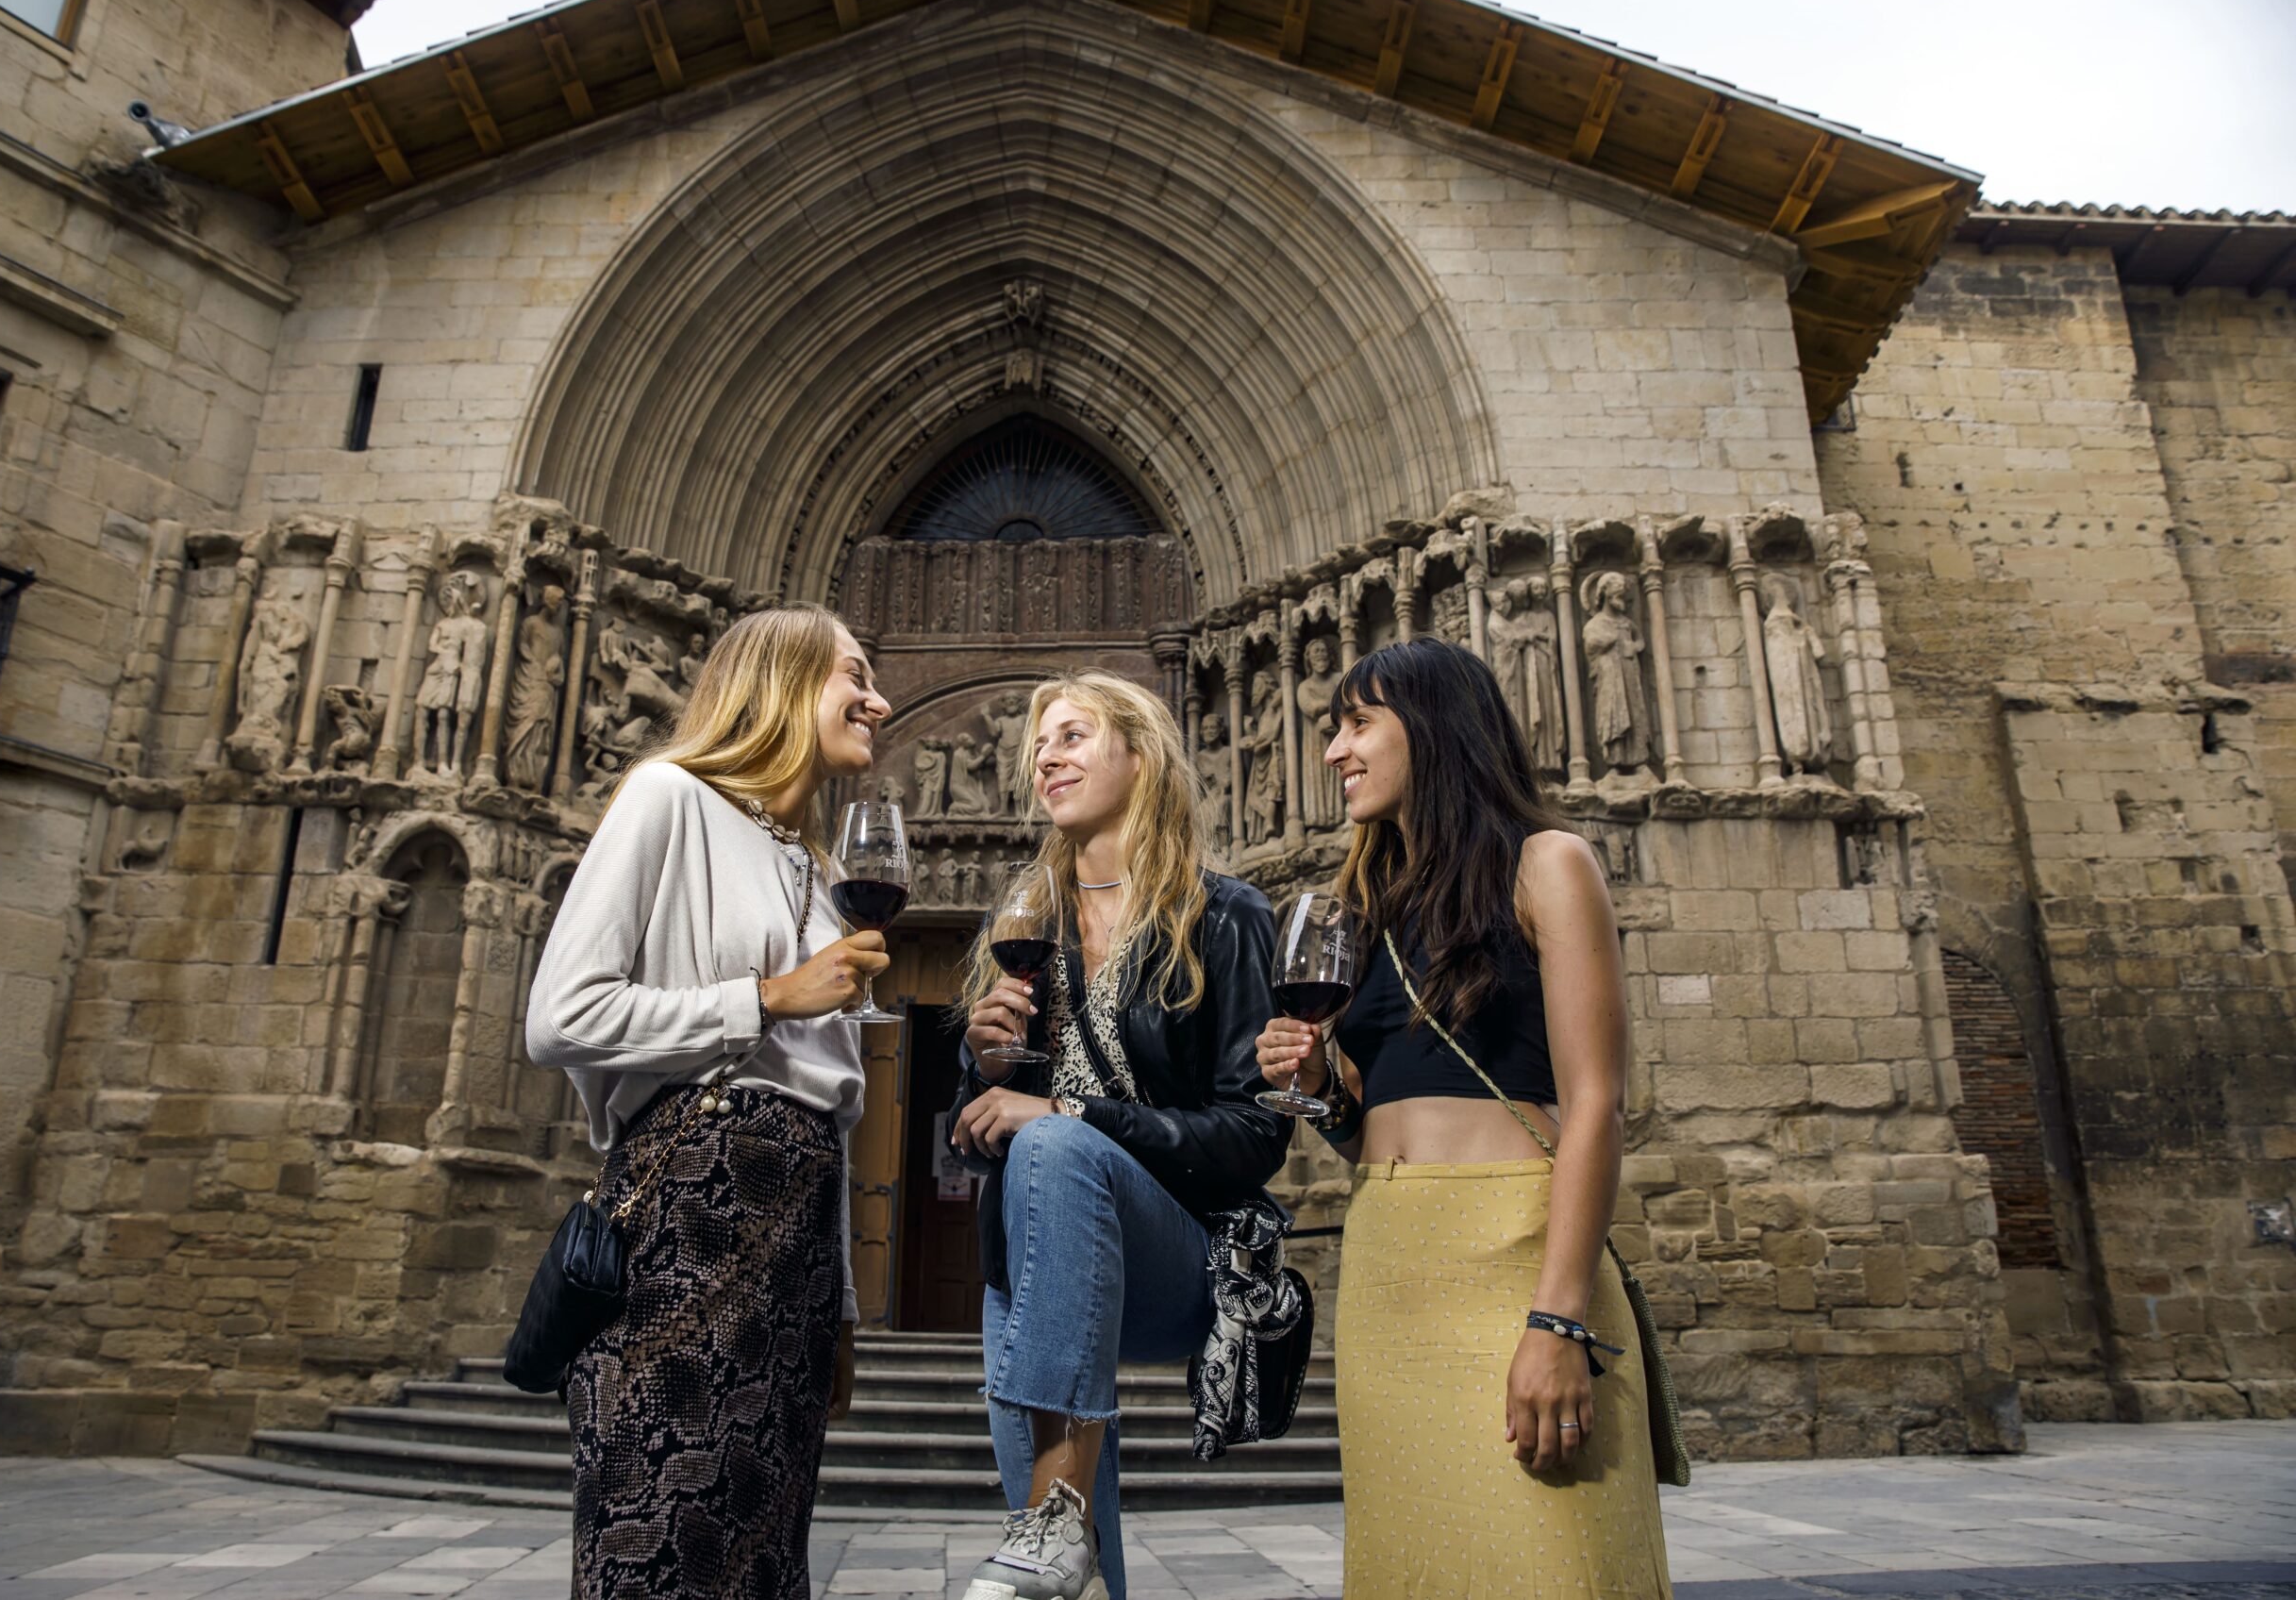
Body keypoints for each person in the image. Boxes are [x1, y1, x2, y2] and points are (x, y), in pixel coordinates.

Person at [1256, 636, 1671, 1598]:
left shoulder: (1547, 864)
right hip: (1387, 1265)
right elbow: (1368, 1130)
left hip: (1513, 1255)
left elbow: (1598, 1102)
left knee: (1551, 1562)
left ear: (1435, 729)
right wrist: (1319, 1087)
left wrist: (1556, 1318)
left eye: (1358, 723)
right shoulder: (1363, 906)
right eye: (1332, 729)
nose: (1333, 752)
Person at [525, 604, 894, 1600]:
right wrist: (768, 998)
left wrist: (848, 1310)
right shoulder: (667, 797)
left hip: (800, 1233)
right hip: (690, 1205)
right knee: (660, 1520)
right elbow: (560, 1017)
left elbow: (832, 1106)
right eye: (852, 673)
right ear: (776, 680)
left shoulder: (818, 871)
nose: (879, 699)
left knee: (766, 1547)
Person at [950, 673, 1288, 1600]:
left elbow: (1257, 1132)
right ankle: (1066, 1532)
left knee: (1055, 1146)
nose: (1045, 757)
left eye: (1072, 735)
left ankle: (1056, 1512)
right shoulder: (1023, 928)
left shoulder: (1225, 916)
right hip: (1032, 1263)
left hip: (1175, 1253)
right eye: (1039, 745)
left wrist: (1068, 1114)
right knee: (1060, 1576)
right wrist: (983, 1078)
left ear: (1140, 755)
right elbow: (973, 1140)